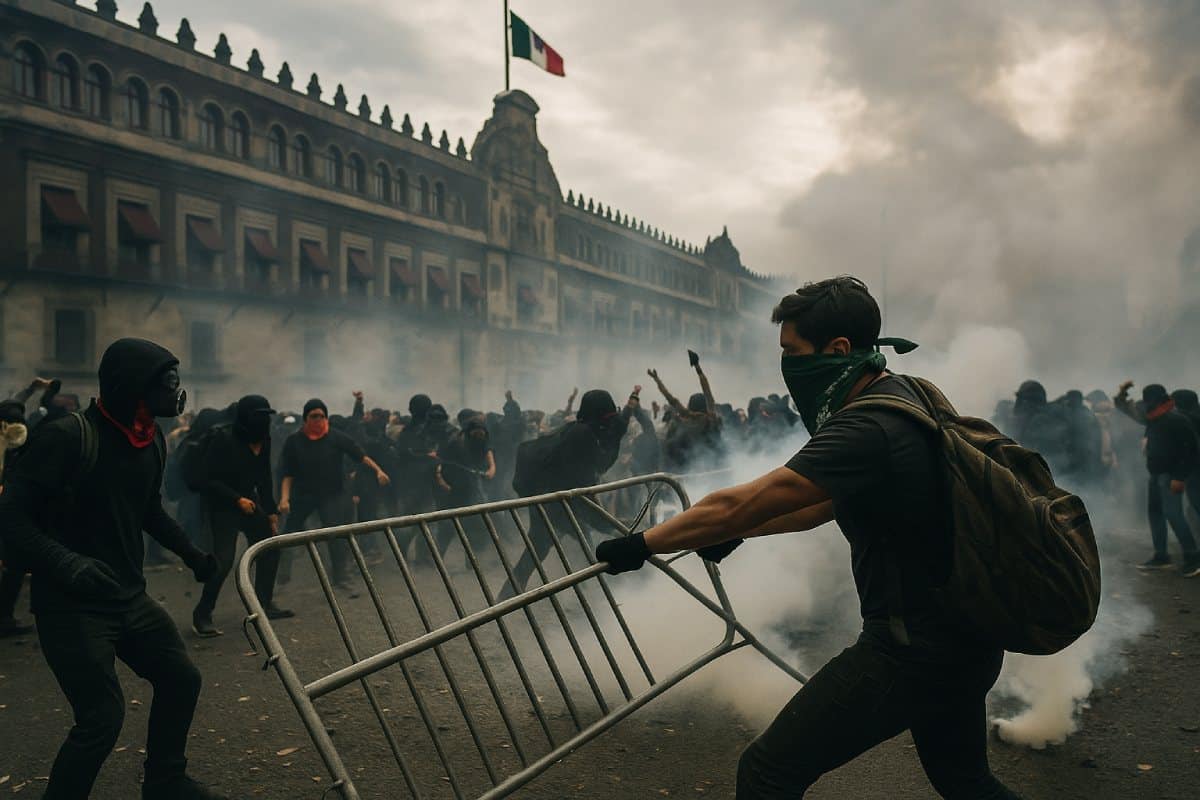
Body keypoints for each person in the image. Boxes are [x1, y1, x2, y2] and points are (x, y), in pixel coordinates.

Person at [596, 277, 1020, 799]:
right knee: (966, 780)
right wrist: (743, 532)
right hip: (965, 637)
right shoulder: (904, 394)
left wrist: (644, 544)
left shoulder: (867, 426)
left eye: (792, 352)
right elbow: (818, 506)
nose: (787, 364)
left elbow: (749, 498)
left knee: (766, 773)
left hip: (911, 650)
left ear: (838, 350)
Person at [0, 338, 225, 799]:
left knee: (181, 678)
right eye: (166, 385)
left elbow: (148, 510)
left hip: (128, 596)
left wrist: (194, 555)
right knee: (101, 718)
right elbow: (11, 518)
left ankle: (165, 781)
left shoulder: (151, 440)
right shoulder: (66, 437)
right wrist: (67, 563)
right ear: (131, 387)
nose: (175, 394)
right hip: (70, 606)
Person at [498, 388, 628, 599]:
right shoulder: (582, 434)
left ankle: (507, 595)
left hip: (551, 498)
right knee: (585, 543)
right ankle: (606, 593)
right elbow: (597, 468)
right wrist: (616, 440)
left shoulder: (577, 429)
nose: (609, 423)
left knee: (539, 547)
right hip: (556, 500)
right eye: (608, 417)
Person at [191, 395, 290, 637]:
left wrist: (271, 512)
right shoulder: (223, 438)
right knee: (224, 560)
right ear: (246, 417)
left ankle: (263, 605)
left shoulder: (263, 440)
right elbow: (206, 479)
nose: (264, 420)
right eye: (259, 415)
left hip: (249, 504)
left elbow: (264, 478)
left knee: (270, 547)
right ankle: (202, 614)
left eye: (267, 415)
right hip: (223, 505)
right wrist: (236, 499)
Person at [279, 398, 391, 590]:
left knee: (335, 536)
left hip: (330, 495)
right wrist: (284, 498)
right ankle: (281, 573)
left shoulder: (335, 437)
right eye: (314, 416)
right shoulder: (294, 441)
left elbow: (360, 455)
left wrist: (378, 471)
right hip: (303, 495)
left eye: (322, 416)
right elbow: (288, 473)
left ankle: (341, 577)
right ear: (306, 418)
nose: (318, 420)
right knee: (288, 534)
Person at [1115, 382, 1200, 576]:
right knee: (1155, 513)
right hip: (1156, 474)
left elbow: (1191, 450)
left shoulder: (1177, 419)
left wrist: (1179, 477)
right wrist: (1121, 394)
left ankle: (1193, 557)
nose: (1144, 405)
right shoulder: (1153, 418)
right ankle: (1161, 556)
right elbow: (1128, 410)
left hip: (1171, 476)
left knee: (1173, 514)